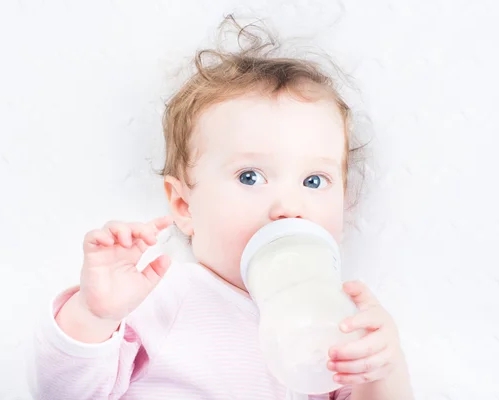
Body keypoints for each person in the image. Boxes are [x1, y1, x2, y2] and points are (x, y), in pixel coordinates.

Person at [30, 15, 414, 400]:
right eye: (250, 176)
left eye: (314, 181)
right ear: (184, 205)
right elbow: (63, 394)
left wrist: (381, 370)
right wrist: (94, 317)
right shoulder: (166, 294)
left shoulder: (334, 316)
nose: (288, 207)